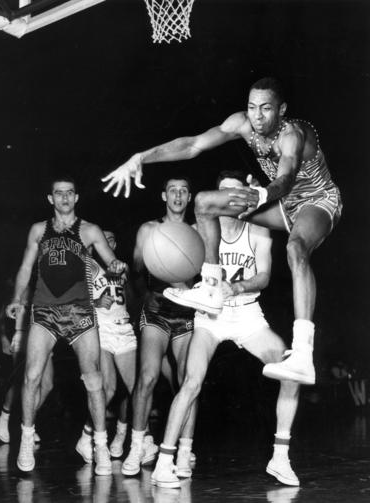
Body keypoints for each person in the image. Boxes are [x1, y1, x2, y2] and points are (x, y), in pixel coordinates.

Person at [102, 77, 342, 386]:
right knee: (204, 203)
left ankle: (303, 355)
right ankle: (212, 286)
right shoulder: (242, 124)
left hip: (316, 200)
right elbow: (192, 145)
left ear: (281, 110)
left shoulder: (293, 135)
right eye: (252, 107)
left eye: (266, 109)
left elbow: (286, 177)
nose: (257, 116)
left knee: (295, 248)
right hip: (277, 201)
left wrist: (263, 195)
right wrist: (141, 157)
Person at [151, 171, 300, 488]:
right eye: (222, 193)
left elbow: (264, 277)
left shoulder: (258, 229)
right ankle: (164, 462)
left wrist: (235, 288)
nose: (227, 200)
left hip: (247, 314)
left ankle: (280, 457)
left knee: (291, 369)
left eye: (234, 193)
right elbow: (176, 270)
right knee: (191, 383)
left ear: (244, 196)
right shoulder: (199, 230)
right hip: (210, 317)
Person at [6, 175, 126, 475]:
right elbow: (24, 268)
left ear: (76, 197)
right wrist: (18, 299)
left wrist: (117, 268)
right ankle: (26, 436)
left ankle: (100, 445)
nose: (64, 198)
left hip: (81, 312)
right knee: (32, 376)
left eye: (69, 193)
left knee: (94, 380)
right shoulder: (38, 230)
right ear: (51, 199)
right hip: (45, 311)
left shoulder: (90, 230)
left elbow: (112, 265)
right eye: (58, 194)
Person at [121, 177, 197, 477]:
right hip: (157, 311)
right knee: (148, 376)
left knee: (188, 380)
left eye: (183, 190)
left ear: (189, 197)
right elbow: (138, 269)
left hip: (188, 313)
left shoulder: (198, 230)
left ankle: (186, 450)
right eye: (173, 190)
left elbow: (207, 272)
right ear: (164, 195)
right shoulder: (149, 229)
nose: (178, 195)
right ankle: (137, 446)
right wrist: (157, 253)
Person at [75, 230, 139, 463]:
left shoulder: (121, 268)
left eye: (112, 239)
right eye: (104, 239)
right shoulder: (87, 264)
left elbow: (131, 299)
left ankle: (122, 437)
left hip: (123, 329)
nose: (108, 243)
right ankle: (87, 435)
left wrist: (126, 284)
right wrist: (96, 302)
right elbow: (73, 300)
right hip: (101, 329)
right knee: (109, 388)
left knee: (137, 389)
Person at [0, 283, 53, 444]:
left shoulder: (48, 283)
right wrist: (3, 338)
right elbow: (1, 316)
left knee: (48, 385)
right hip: (23, 336)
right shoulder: (23, 285)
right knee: (20, 381)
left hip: (44, 336)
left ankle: (27, 423)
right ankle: (4, 418)